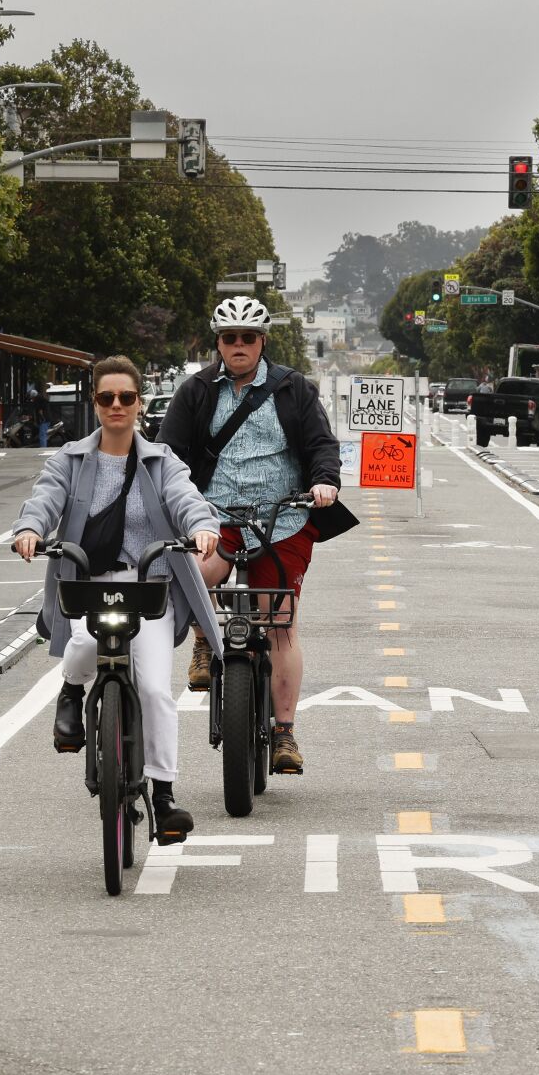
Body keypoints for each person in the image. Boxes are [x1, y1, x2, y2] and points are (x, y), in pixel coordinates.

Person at [12, 356, 222, 842]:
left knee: (153, 690)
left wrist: (203, 528)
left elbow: (186, 498)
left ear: (140, 403)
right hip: (88, 584)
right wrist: (29, 529)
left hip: (148, 587)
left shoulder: (162, 460)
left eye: (126, 397)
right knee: (82, 646)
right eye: (106, 398)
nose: (116, 406)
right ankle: (71, 689)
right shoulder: (69, 459)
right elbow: (45, 499)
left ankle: (164, 796)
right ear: (95, 403)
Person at [158, 296, 357, 775]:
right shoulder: (197, 391)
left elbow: (320, 445)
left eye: (248, 337)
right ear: (219, 344)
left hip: (282, 520)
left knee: (281, 622)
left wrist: (324, 480)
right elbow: (167, 454)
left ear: (262, 341)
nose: (239, 345)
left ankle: (285, 732)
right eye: (230, 338)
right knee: (191, 573)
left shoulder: (294, 389)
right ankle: (204, 640)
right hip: (213, 516)